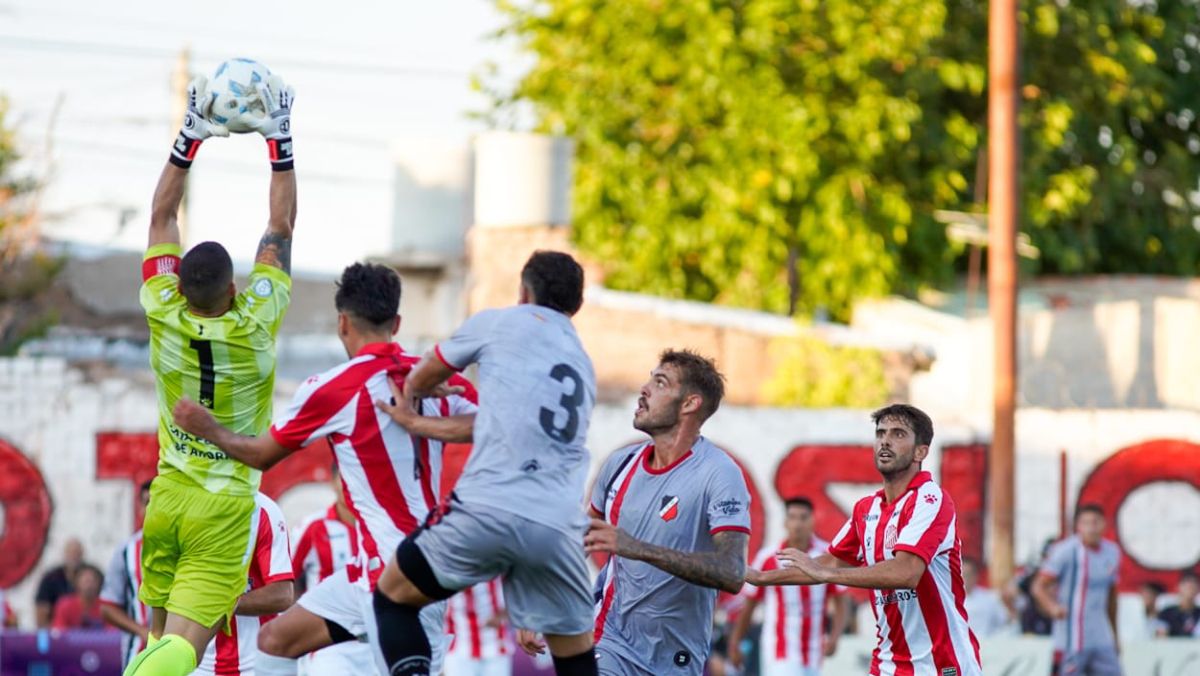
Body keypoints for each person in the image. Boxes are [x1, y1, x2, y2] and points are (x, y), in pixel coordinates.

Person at [172, 261, 477, 676]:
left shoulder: (335, 387)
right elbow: (498, 424)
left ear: (342, 323)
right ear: (396, 322)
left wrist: (206, 427)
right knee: (275, 642)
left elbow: (261, 455)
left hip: (402, 573)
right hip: (377, 569)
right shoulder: (431, 376)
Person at [125, 71, 297, 676]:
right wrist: (279, 140)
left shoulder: (161, 309)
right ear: (232, 288)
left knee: (156, 644)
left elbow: (161, 216)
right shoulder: (256, 325)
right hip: (222, 510)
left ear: (180, 285)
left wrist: (190, 135)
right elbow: (279, 230)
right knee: (182, 653)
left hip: (166, 497)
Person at [370, 250, 599, 676]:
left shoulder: (501, 322)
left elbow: (422, 376)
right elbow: (495, 424)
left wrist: (415, 403)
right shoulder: (583, 362)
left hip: (489, 506)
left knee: (391, 599)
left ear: (524, 291)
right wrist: (420, 425)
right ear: (577, 305)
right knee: (576, 660)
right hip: (558, 526)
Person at [747, 404, 982, 676]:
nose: (885, 441)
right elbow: (829, 562)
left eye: (898, 434)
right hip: (888, 664)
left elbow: (906, 572)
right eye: (881, 433)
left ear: (921, 452)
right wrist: (759, 577)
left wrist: (826, 574)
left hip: (941, 664)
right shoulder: (866, 509)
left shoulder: (931, 499)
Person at [571, 349, 750, 676]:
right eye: (650, 379)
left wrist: (638, 548)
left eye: (660, 383)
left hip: (678, 656)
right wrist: (544, 608)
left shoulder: (719, 473)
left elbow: (732, 572)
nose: (644, 389)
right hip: (609, 640)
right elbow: (579, 540)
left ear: (689, 403)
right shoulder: (620, 464)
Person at [730, 497, 849, 676]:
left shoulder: (826, 556)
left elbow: (841, 601)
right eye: (792, 517)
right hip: (779, 650)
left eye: (803, 518)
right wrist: (735, 642)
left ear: (812, 521)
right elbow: (749, 606)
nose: (797, 524)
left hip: (814, 652)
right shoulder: (768, 557)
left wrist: (835, 636)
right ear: (785, 522)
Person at [193, 492, 295, 676]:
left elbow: (282, 595)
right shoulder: (186, 509)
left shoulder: (264, 511)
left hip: (255, 664)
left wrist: (220, 603)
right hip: (196, 663)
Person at [290, 465, 375, 674]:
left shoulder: (381, 528)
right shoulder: (313, 527)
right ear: (333, 482)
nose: (350, 487)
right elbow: (284, 581)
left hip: (377, 642)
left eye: (357, 479)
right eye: (344, 480)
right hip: (328, 646)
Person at [1032, 504, 1122, 676]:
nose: (1091, 528)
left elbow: (1111, 597)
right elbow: (1039, 586)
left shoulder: (1112, 552)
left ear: (1104, 524)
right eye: (1086, 523)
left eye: (1095, 522)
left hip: (1101, 638)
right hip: (1071, 639)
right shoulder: (1065, 551)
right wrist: (1052, 607)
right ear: (1078, 526)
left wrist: (1115, 635)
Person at [101, 481, 154, 668]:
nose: (152, 509)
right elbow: (107, 607)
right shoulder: (127, 551)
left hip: (183, 649)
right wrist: (142, 631)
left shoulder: (186, 549)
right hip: (140, 650)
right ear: (139, 508)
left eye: (158, 502)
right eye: (147, 503)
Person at [445, 579, 513, 676]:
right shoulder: (447, 575)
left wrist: (503, 615)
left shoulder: (496, 572)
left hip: (496, 648)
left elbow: (517, 596)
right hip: (458, 650)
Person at [35, 537, 89, 627]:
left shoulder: (93, 575)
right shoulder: (50, 578)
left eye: (77, 553)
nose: (74, 556)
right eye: (71, 553)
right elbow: (41, 611)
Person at [962, 557, 1012, 638]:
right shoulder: (949, 600)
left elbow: (1006, 620)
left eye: (969, 575)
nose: (966, 579)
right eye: (963, 574)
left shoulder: (990, 597)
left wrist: (1008, 602)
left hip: (987, 642)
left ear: (976, 576)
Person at [52, 564, 112, 630]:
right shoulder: (64, 605)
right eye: (86, 581)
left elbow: (113, 632)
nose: (89, 585)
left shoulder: (107, 606)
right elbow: (59, 631)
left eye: (93, 581)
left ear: (100, 583)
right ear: (76, 582)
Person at [1156, 572, 1200, 638]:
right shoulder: (1166, 613)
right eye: (1187, 586)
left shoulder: (1198, 613)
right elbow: (1160, 637)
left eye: (1194, 585)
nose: (1190, 588)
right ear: (1178, 587)